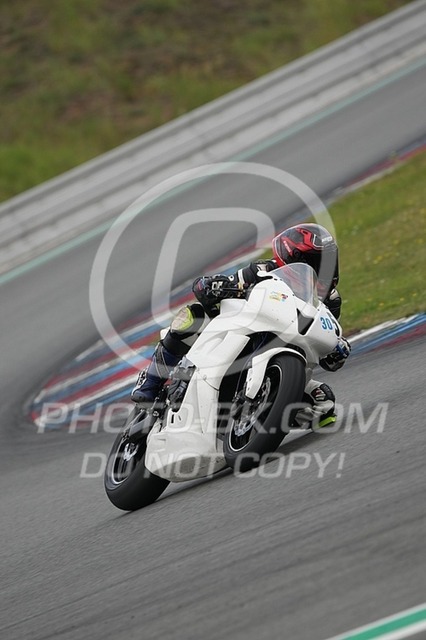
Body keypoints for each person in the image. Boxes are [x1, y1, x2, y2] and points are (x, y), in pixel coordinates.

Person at [131, 223, 351, 428]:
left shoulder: (330, 301)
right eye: (318, 261)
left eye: (330, 260)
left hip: (287, 356)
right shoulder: (262, 270)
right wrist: (213, 286)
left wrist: (337, 348)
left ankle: (265, 419)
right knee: (193, 316)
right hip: (244, 335)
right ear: (293, 258)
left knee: (324, 403)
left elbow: (325, 348)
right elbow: (215, 288)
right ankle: (150, 382)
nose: (326, 268)